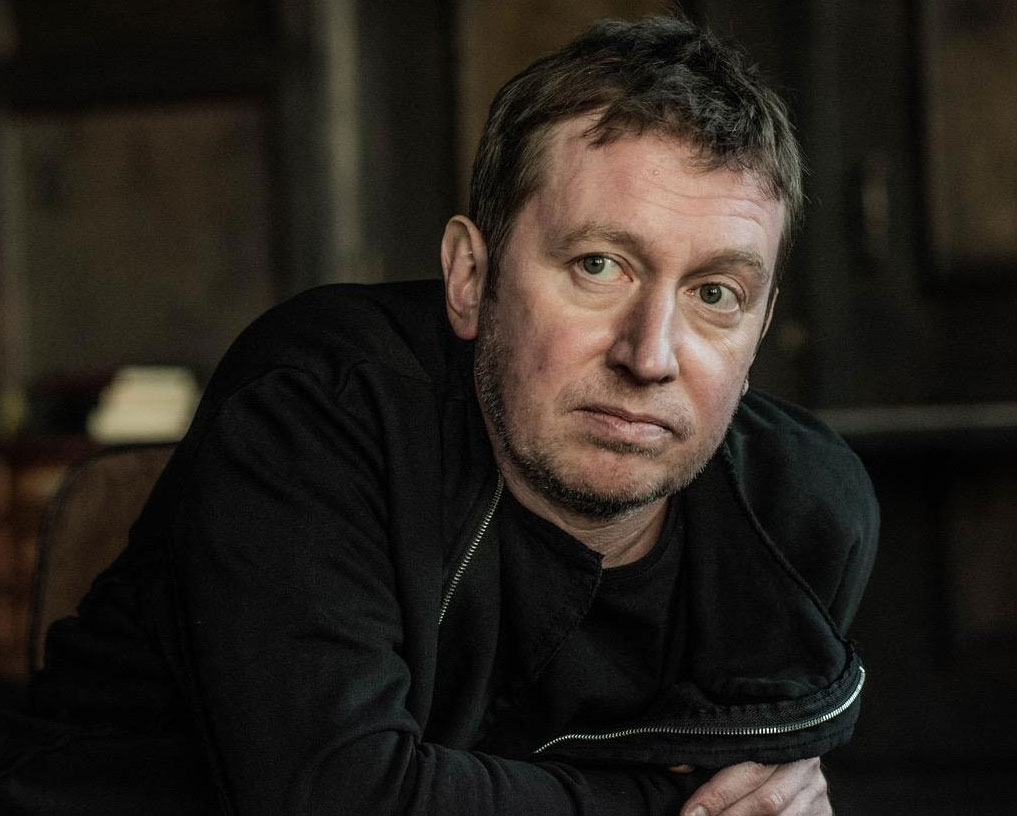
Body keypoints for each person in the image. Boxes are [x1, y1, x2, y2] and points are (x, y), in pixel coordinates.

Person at [0, 14, 878, 815]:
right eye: (598, 266)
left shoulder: (800, 513)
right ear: (469, 277)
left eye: (715, 293)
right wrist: (662, 805)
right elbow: (341, 798)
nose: (649, 355)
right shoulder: (318, 404)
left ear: (759, 329)